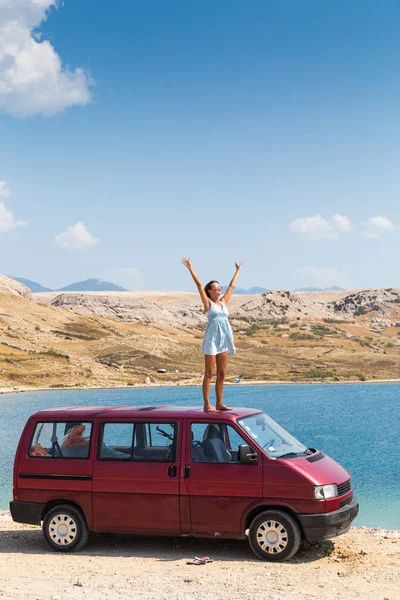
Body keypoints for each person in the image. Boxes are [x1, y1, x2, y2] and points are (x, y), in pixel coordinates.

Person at [181, 257, 242, 412]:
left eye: (220, 288)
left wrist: (238, 271)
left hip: (224, 340)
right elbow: (199, 285)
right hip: (212, 340)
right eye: (216, 288)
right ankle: (207, 404)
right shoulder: (208, 303)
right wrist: (190, 268)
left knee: (221, 374)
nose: (219, 289)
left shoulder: (224, 303)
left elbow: (232, 286)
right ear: (210, 291)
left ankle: (219, 403)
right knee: (209, 373)